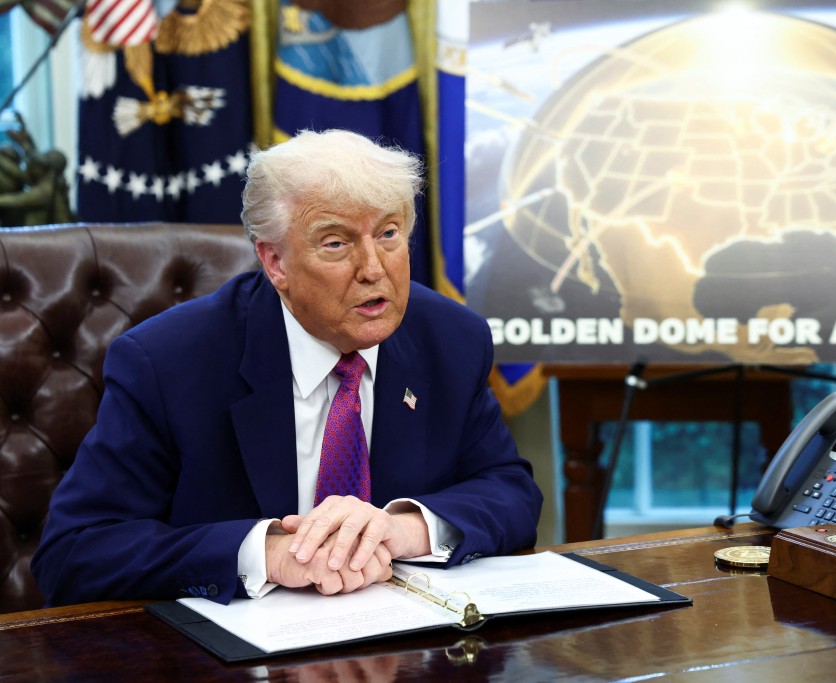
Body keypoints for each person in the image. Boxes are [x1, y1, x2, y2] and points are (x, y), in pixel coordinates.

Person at [31, 129, 543, 605]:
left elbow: (510, 493)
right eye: (337, 243)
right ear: (275, 262)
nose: (373, 269)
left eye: (388, 234)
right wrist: (268, 554)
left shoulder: (451, 339)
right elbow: (74, 553)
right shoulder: (168, 362)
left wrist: (402, 528)